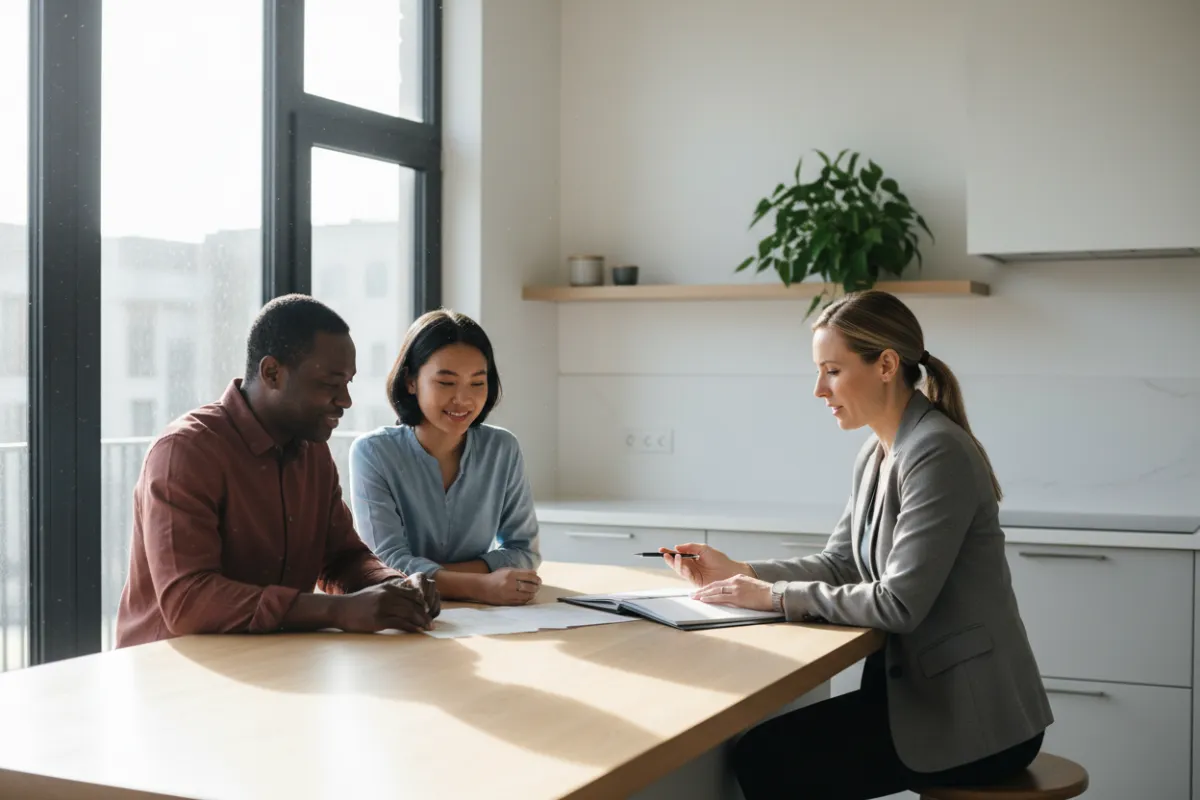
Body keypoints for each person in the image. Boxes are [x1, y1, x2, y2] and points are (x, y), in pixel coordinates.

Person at [662, 290, 1052, 799]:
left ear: (887, 364)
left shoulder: (936, 452)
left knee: (766, 759)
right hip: (917, 699)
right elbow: (842, 562)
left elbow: (899, 603)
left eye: (832, 370)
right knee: (763, 753)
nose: (819, 389)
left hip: (973, 719)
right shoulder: (878, 450)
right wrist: (743, 573)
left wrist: (775, 598)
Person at [116, 295, 440, 648]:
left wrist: (396, 587)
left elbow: (343, 558)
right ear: (272, 372)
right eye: (331, 384)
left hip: (271, 661)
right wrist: (337, 612)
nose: (346, 400)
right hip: (171, 676)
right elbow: (188, 601)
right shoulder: (186, 452)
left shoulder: (313, 451)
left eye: (348, 383)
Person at [348, 309, 542, 606]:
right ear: (411, 381)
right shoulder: (373, 453)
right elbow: (386, 563)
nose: (463, 399)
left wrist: (429, 576)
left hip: (489, 617)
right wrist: (481, 585)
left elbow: (524, 552)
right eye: (446, 383)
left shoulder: (502, 447)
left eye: (477, 383)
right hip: (405, 613)